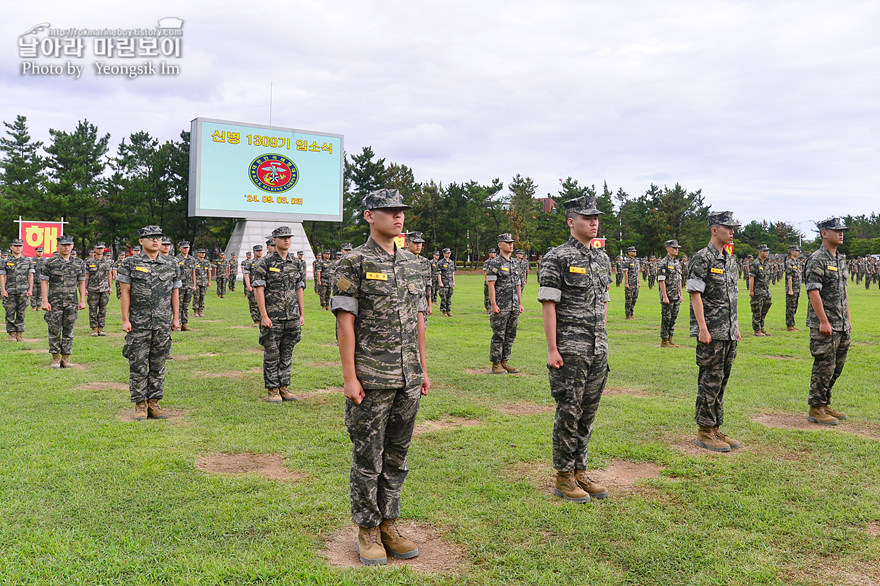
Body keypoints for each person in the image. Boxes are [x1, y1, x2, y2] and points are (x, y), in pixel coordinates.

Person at [331, 188, 429, 566]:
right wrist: (349, 376)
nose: (398, 217)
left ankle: (389, 523)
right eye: (389, 211)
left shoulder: (413, 264)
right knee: (367, 456)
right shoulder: (352, 263)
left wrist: (422, 367)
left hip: (407, 377)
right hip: (371, 376)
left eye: (401, 211)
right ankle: (367, 528)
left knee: (398, 456)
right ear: (370, 215)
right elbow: (345, 323)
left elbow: (419, 318)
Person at [538, 195, 611, 503]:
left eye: (596, 217)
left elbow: (603, 303)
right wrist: (553, 348)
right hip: (570, 349)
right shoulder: (557, 257)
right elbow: (549, 304)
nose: (593, 222)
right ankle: (564, 475)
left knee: (588, 412)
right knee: (569, 411)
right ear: (571, 222)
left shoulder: (602, 259)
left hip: (597, 348)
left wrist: (603, 339)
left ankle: (580, 469)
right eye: (586, 217)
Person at [686, 211, 741, 453]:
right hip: (711, 332)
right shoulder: (702, 259)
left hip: (728, 331)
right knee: (709, 381)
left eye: (733, 227)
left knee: (721, 381)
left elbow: (731, 298)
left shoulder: (729, 259)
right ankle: (704, 430)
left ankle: (716, 426)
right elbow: (695, 294)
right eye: (727, 227)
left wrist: (735, 326)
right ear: (713, 229)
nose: (732, 231)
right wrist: (703, 328)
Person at [118, 226, 181, 421]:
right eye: (150, 238)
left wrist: (176, 318)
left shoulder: (171, 264)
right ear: (141, 241)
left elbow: (175, 292)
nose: (155, 241)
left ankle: (154, 402)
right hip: (139, 322)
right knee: (138, 363)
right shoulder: (130, 263)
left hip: (162, 323)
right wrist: (125, 319)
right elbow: (125, 292)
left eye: (158, 238)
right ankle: (140, 404)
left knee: (158, 363)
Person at [804, 218, 852, 426]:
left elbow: (844, 291)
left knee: (836, 367)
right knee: (824, 365)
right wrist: (823, 320)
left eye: (842, 230)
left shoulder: (840, 259)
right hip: (825, 324)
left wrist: (848, 318)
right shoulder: (817, 259)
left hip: (841, 322)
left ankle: (824, 403)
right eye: (836, 230)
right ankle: (816, 408)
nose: (841, 233)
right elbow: (813, 291)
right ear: (824, 233)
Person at [253, 226, 305, 403]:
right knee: (272, 352)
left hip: (291, 315)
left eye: (288, 237)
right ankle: (273, 389)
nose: (286, 240)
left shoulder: (295, 262)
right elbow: (258, 289)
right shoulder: (265, 262)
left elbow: (299, 288)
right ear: (274, 240)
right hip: (273, 316)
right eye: (282, 238)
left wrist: (301, 314)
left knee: (287, 351)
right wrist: (264, 315)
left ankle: (284, 387)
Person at [40, 234, 87, 367]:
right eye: (63, 245)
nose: (66, 247)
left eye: (68, 245)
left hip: (71, 302)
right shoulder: (49, 263)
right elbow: (44, 282)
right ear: (58, 246)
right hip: (54, 302)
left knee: (69, 330)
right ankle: (55, 358)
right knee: (54, 329)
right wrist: (44, 301)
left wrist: (82, 300)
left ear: (72, 246)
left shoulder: (79, 263)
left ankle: (66, 358)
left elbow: (82, 283)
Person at [487, 233, 524, 374]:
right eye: (507, 242)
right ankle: (496, 363)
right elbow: (491, 284)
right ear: (500, 245)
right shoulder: (495, 262)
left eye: (511, 242)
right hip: (501, 305)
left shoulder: (515, 262)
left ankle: (505, 361)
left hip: (514, 305)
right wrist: (493, 304)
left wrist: (520, 303)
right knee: (499, 334)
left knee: (511, 334)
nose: (511, 244)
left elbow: (518, 284)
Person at [1, 238, 35, 341]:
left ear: (22, 247)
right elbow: (2, 276)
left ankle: (19, 333)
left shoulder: (28, 261)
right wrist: (3, 290)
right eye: (15, 246)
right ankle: (11, 334)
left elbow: (30, 275)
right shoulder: (6, 261)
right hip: (10, 290)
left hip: (23, 291)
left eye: (19, 246)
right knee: (10, 312)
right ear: (11, 247)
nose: (17, 248)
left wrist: (30, 289)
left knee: (21, 312)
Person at [658, 239, 683, 348]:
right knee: (666, 318)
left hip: (676, 295)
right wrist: (664, 296)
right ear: (668, 249)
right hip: (668, 295)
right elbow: (661, 280)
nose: (676, 250)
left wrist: (681, 294)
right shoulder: (664, 262)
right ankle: (664, 340)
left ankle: (670, 339)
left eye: (677, 248)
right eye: (674, 248)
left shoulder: (676, 262)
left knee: (673, 318)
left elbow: (679, 280)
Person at [84, 242, 113, 337]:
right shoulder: (89, 262)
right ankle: (94, 329)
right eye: (98, 248)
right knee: (92, 309)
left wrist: (110, 287)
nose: (100, 250)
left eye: (102, 248)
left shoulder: (108, 261)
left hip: (104, 288)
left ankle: (101, 328)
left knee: (103, 309)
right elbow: (87, 276)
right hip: (92, 288)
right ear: (94, 250)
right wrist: (85, 288)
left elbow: (109, 274)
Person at [405, 232, 433, 317]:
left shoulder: (425, 262)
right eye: (415, 243)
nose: (418, 246)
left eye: (420, 243)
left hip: (421, 304)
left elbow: (428, 284)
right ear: (407, 244)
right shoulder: (401, 261)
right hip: (406, 305)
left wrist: (429, 305)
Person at [749, 244, 772, 336]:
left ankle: (761, 327)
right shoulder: (755, 263)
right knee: (757, 310)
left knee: (766, 306)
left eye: (767, 251)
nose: (766, 253)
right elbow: (751, 277)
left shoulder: (766, 264)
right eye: (764, 251)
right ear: (759, 252)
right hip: (758, 291)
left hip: (766, 290)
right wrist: (751, 291)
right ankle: (757, 330)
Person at [176, 242, 196, 331]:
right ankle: (178, 324)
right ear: (180, 248)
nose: (185, 249)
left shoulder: (192, 259)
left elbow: (193, 273)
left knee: (186, 306)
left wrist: (194, 285)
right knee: (178, 305)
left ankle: (185, 323)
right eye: (183, 248)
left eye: (187, 248)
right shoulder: (176, 259)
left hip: (189, 285)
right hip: (180, 286)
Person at [243, 245, 263, 325]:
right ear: (254, 252)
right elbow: (247, 274)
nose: (259, 252)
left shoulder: (265, 261)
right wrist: (248, 285)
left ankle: (262, 318)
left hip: (262, 286)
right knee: (253, 303)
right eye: (257, 251)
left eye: (260, 251)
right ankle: (256, 320)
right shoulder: (250, 262)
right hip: (253, 285)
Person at [785, 245, 802, 331]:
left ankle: (792, 324)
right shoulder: (789, 262)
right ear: (792, 252)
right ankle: (789, 325)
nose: (798, 252)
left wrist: (799, 289)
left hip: (797, 288)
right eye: (796, 251)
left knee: (795, 306)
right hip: (792, 289)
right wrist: (790, 289)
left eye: (798, 251)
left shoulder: (797, 262)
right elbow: (789, 276)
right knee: (790, 307)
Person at [622, 246, 640, 319]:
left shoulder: (636, 261)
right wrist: (626, 283)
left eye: (635, 251)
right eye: (633, 251)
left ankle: (632, 314)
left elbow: (638, 272)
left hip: (635, 283)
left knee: (634, 299)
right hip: (630, 283)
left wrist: (638, 282)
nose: (634, 252)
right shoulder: (627, 261)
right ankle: (627, 315)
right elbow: (626, 273)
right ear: (629, 253)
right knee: (628, 300)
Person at [192, 249, 211, 317]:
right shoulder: (194, 262)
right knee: (196, 297)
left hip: (204, 282)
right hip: (197, 282)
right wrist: (193, 283)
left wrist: (209, 281)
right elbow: (193, 272)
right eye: (201, 253)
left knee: (202, 297)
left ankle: (200, 311)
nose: (203, 254)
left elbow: (209, 272)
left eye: (204, 253)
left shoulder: (207, 262)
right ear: (198, 254)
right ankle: (195, 311)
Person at [437, 248, 455, 316]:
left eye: (449, 253)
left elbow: (452, 273)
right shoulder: (440, 262)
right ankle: (443, 311)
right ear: (444, 254)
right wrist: (440, 282)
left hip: (450, 283)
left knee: (449, 297)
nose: (448, 254)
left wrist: (453, 281)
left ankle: (448, 311)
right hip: (444, 283)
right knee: (443, 297)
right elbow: (439, 273)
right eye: (447, 253)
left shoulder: (451, 262)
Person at [30, 246, 45, 310]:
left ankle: (39, 306)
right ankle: (33, 306)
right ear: (35, 252)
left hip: (41, 280)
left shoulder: (45, 261)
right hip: (33, 279)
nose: (39, 253)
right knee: (33, 293)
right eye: (38, 252)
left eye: (41, 252)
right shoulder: (32, 260)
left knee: (40, 293)